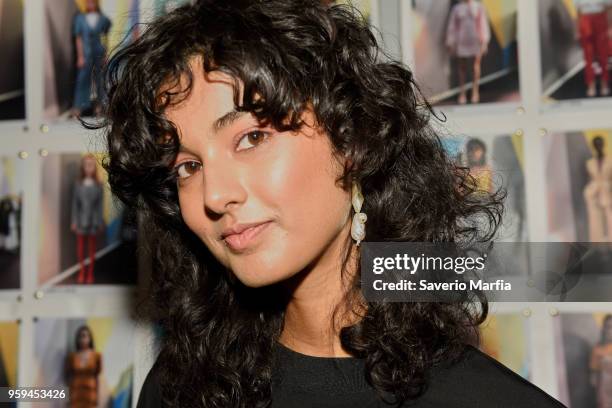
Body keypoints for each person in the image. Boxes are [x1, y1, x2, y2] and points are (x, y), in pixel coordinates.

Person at [95, 1, 567, 406]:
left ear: (353, 140)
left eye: (252, 137)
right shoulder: (178, 390)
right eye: (187, 167)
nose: (214, 196)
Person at [71, 0, 112, 118]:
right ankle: (78, 108)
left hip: (99, 51)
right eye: (88, 2)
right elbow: (78, 38)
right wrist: (80, 56)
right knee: (83, 80)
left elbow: (105, 37)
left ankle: (100, 108)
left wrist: (106, 53)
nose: (90, 4)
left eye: (92, 2)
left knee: (101, 79)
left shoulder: (103, 19)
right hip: (86, 53)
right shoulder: (80, 19)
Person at [445, 0, 491, 104]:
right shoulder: (457, 8)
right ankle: (462, 93)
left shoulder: (478, 7)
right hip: (462, 40)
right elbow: (453, 26)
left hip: (475, 40)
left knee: (476, 66)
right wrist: (451, 42)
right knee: (462, 67)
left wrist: (484, 42)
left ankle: (475, 91)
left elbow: (483, 24)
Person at [71, 154, 105, 284]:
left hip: (94, 221)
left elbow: (100, 205)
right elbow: (75, 204)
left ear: (94, 167)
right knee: (80, 248)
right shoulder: (78, 184)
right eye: (86, 165)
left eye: (91, 165)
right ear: (83, 167)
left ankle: (90, 274)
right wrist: (74, 221)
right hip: (80, 220)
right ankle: (81, 272)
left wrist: (100, 221)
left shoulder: (99, 184)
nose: (88, 167)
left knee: (91, 249)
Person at [573, 0, 612, 97]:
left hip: (600, 19)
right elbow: (578, 13)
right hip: (585, 20)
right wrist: (577, 30)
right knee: (588, 55)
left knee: (603, 54)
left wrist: (610, 27)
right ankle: (591, 85)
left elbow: (609, 9)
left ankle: (604, 84)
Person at [64, 325, 102, 407]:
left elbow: (97, 377)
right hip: (75, 394)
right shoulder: (72, 357)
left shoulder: (97, 356)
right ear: (77, 339)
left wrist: (98, 397)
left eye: (85, 336)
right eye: (80, 336)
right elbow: (68, 377)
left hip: (90, 395)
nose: (83, 339)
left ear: (90, 338)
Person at [590, 314, 612, 407]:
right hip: (604, 387)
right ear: (603, 329)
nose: (610, 331)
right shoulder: (598, 349)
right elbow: (594, 377)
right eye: (608, 327)